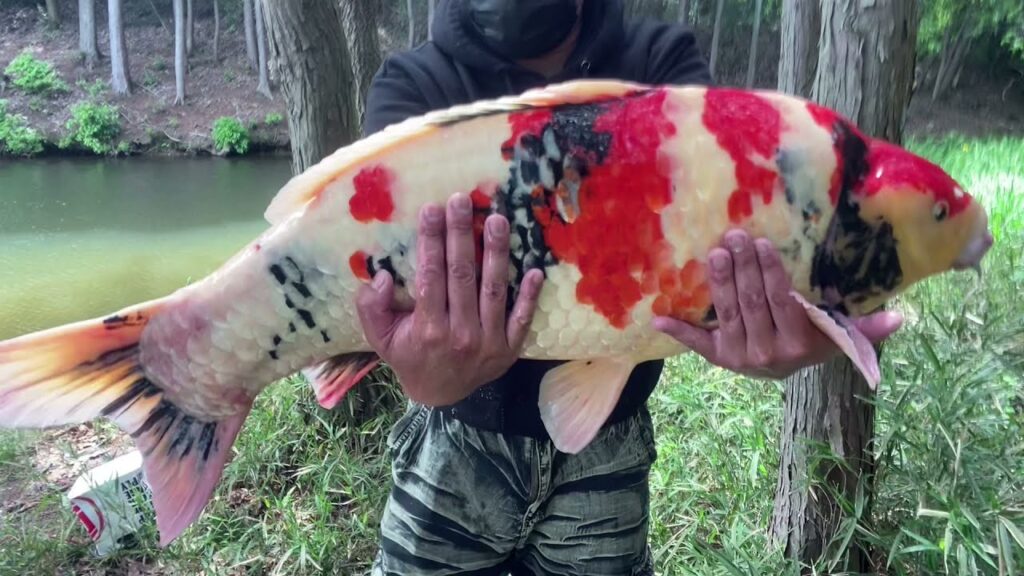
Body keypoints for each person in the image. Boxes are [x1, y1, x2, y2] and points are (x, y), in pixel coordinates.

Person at [356, 1, 903, 574]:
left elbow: (724, 244)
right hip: (457, 435)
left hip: (610, 436)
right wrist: (417, 375)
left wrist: (773, 319)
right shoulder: (412, 87)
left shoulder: (662, 62)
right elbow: (373, 289)